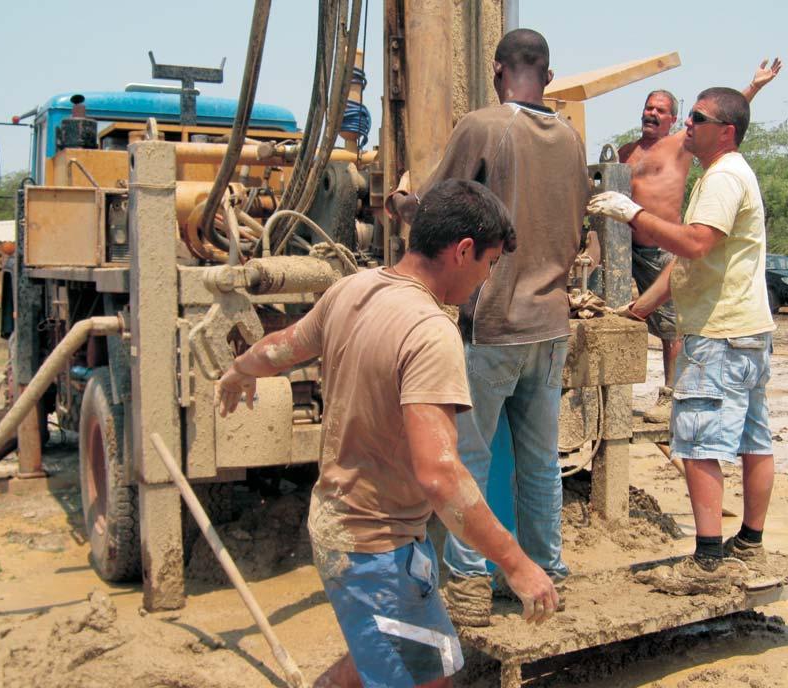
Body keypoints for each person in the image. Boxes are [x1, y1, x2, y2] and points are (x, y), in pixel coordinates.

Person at [217, 179, 558, 688]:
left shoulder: (352, 289)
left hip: (353, 528)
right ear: (463, 251)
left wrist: (239, 370)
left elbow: (284, 346)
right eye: (489, 264)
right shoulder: (429, 330)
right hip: (371, 546)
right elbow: (441, 474)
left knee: (400, 659)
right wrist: (516, 562)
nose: (487, 278)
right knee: (427, 679)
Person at [389, 28, 590, 627]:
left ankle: (472, 586)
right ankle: (544, 575)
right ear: (547, 76)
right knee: (540, 463)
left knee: (467, 459)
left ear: (497, 70)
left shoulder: (483, 126)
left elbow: (435, 208)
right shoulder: (574, 140)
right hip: (551, 324)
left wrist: (403, 206)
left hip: (495, 324)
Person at [588, 87, 775, 583]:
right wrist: (638, 308)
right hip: (747, 330)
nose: (687, 125)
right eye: (687, 116)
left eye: (697, 118)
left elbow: (692, 244)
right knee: (754, 439)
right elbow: (689, 263)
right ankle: (750, 543)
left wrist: (632, 215)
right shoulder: (726, 175)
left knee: (697, 443)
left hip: (719, 335)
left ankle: (708, 560)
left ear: (726, 131)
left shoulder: (723, 177)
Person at [617, 59, 782, 423]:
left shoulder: (679, 145)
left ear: (674, 121)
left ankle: (669, 393)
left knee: (670, 326)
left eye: (661, 110)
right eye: (648, 107)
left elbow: (722, 117)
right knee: (611, 316)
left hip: (664, 246)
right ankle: (609, 395)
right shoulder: (626, 151)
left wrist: (753, 86)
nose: (652, 114)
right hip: (623, 246)